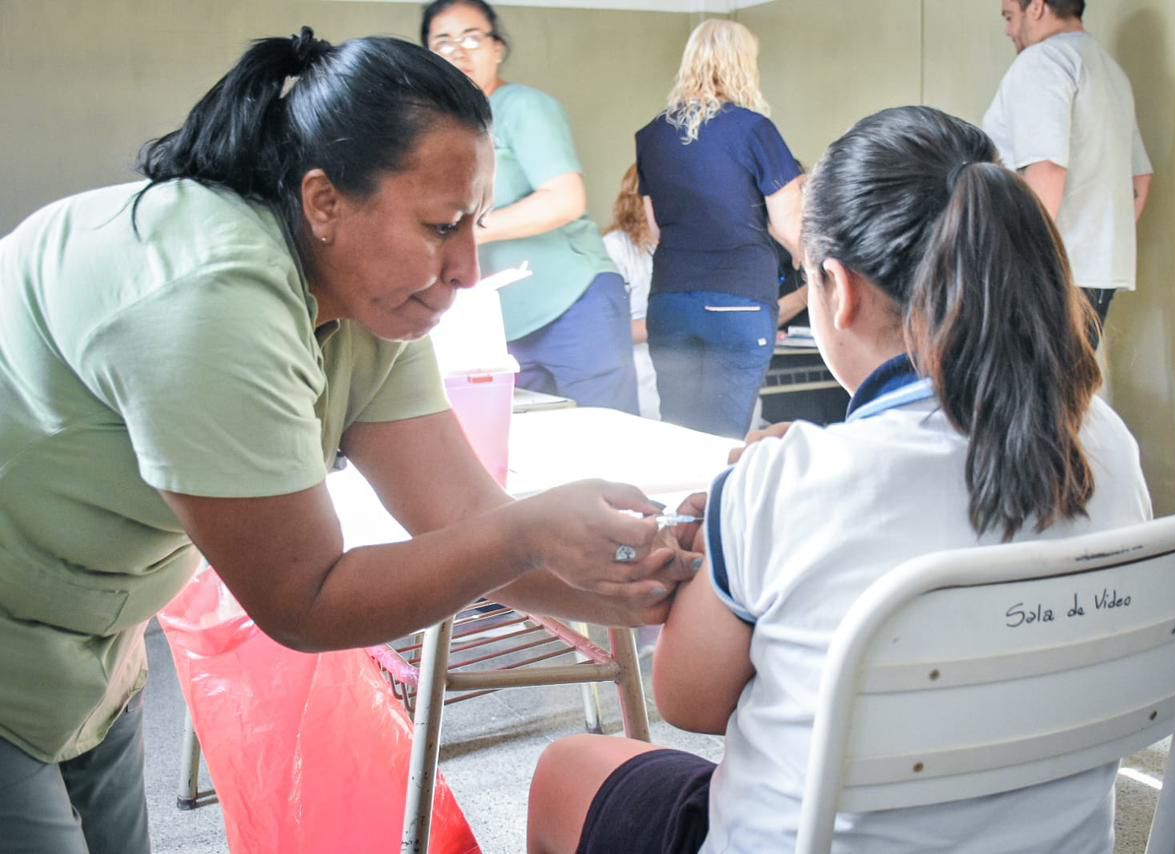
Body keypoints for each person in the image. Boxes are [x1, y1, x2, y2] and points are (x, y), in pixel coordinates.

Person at [0, 29, 693, 854]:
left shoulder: (369, 298)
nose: (469, 268)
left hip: (91, 640)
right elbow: (306, 599)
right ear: (324, 201)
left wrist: (656, 578)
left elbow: (463, 517)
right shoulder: (212, 296)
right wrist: (531, 533)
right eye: (440, 226)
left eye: (474, 223)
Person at [526, 105, 1153, 854]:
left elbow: (689, 702)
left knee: (569, 770)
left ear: (837, 287)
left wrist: (726, 538)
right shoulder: (1105, 441)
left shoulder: (785, 482)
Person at [421, 0, 639, 413]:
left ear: (497, 48)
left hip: (574, 304)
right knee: (530, 437)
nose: (458, 52)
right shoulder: (437, 129)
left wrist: (468, 232)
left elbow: (564, 199)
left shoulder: (522, 107)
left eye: (472, 38)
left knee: (609, 434)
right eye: (443, 43)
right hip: (504, 322)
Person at [635, 19, 803, 438]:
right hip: (738, 301)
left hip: (670, 302)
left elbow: (655, 229)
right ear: (743, 65)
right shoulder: (754, 129)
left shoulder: (652, 136)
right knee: (723, 437)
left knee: (679, 432)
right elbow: (788, 226)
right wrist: (814, 265)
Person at [983, 0, 1154, 340]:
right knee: (1071, 374)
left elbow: (1046, 168)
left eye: (1010, 16)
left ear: (1037, 7)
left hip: (1045, 273)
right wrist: (1098, 244)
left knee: (1023, 375)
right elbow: (1140, 179)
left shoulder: (1042, 62)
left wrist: (1026, 260)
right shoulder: (1110, 72)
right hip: (1099, 274)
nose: (1008, 31)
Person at [602, 164, 661, 421]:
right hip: (636, 374)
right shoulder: (614, 248)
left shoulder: (683, 246)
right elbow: (607, 331)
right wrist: (674, 323)